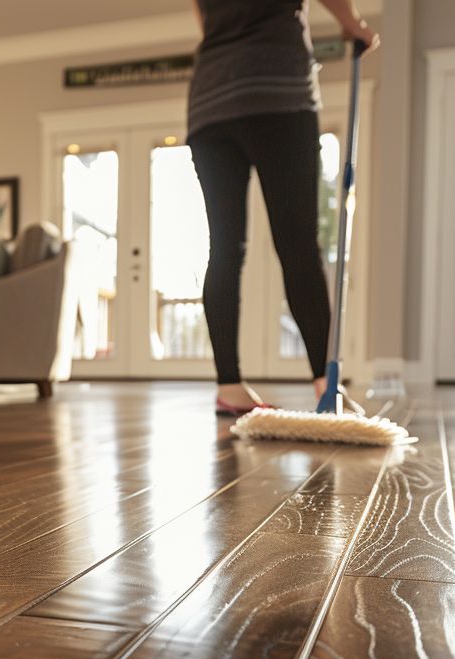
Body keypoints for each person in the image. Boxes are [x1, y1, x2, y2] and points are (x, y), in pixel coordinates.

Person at [187, 0, 378, 415]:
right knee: (297, 246)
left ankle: (229, 386)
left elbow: (206, 21)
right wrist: (353, 25)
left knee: (223, 248)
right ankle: (327, 386)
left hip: (210, 102)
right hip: (277, 90)